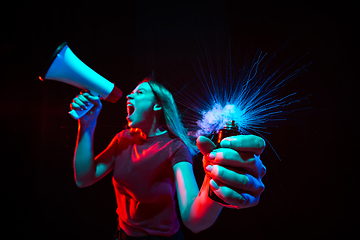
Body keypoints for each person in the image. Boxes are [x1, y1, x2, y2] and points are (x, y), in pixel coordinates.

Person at [71, 77, 267, 240]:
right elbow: (84, 178)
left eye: (139, 93)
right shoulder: (123, 139)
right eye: (132, 92)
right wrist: (86, 124)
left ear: (158, 106)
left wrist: (215, 181)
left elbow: (193, 219)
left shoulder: (175, 147)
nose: (129, 95)